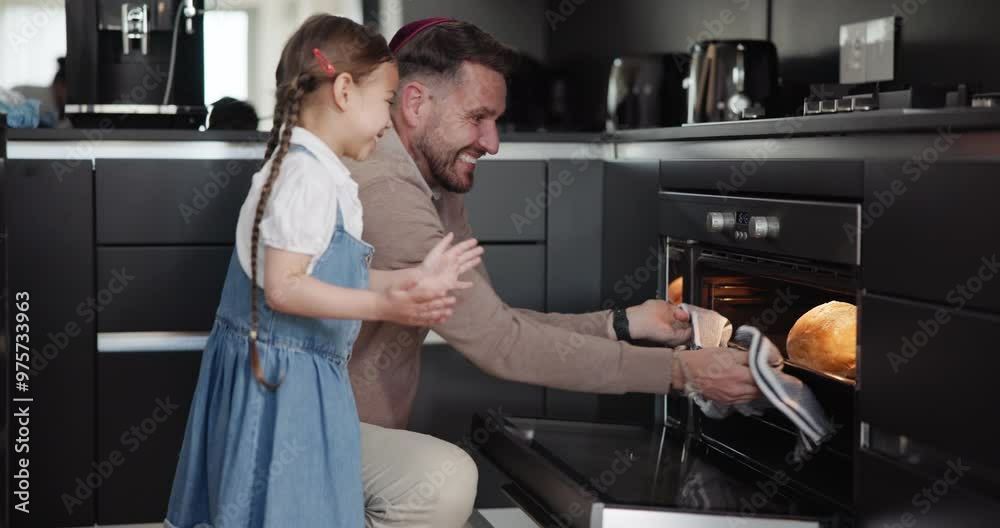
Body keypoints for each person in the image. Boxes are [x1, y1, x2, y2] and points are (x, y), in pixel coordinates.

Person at [342, 18, 762, 528]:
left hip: (360, 453)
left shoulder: (434, 184)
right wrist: (682, 374)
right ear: (414, 103)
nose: (493, 142)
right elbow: (502, 344)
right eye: (478, 118)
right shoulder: (386, 189)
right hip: (318, 449)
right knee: (449, 484)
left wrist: (623, 323)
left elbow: (492, 323)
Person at [165, 15, 483, 527]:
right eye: (385, 102)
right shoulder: (305, 177)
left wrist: (409, 281)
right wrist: (383, 304)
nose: (389, 119)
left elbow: (330, 275)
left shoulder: (320, 172)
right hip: (282, 391)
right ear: (343, 92)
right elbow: (286, 288)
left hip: (298, 385)